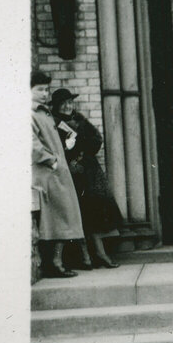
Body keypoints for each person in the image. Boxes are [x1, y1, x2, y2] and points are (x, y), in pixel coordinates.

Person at [51, 88, 123, 269]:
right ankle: (83, 257)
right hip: (69, 173)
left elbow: (96, 140)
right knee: (77, 214)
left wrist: (83, 147)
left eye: (70, 102)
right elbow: (54, 150)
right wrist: (69, 150)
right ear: (57, 106)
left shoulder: (79, 120)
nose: (68, 106)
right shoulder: (54, 123)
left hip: (89, 172)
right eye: (64, 103)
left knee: (95, 212)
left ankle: (100, 254)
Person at [31, 70, 84, 278]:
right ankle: (54, 263)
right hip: (47, 173)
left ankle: (57, 261)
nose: (45, 93)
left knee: (63, 215)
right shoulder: (30, 114)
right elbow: (32, 145)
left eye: (47, 89)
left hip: (57, 172)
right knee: (56, 218)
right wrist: (52, 161)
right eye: (40, 89)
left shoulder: (44, 112)